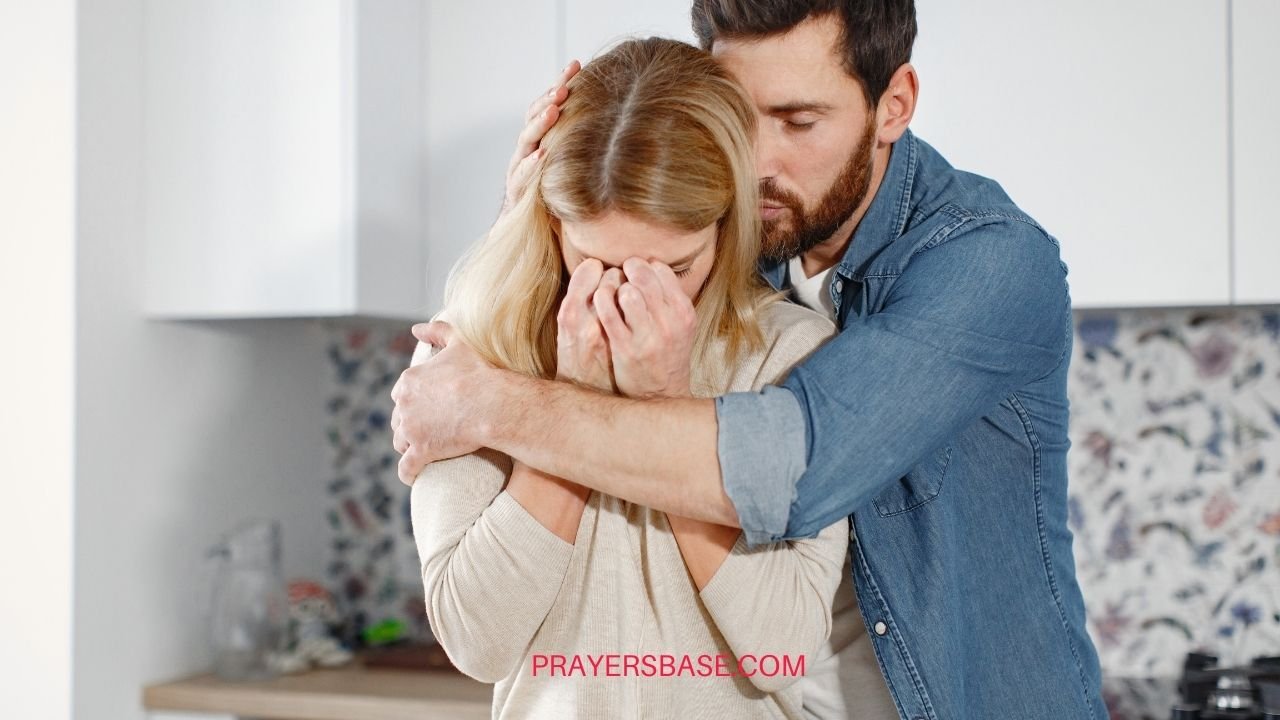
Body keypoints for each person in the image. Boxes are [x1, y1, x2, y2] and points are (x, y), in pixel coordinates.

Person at [393, 2, 1109, 718]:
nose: (755, 163)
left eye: (798, 121)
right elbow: (626, 214)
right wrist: (531, 222)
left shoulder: (991, 263)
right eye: (736, 118)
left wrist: (488, 403)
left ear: (893, 105)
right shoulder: (739, 245)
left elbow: (784, 464)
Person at [409, 37, 874, 719]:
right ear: (551, 221)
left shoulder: (794, 355)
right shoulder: (474, 354)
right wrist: (573, 398)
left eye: (675, 269)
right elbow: (478, 642)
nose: (630, 298)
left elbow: (782, 649)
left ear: (728, 225)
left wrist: (666, 405)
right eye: (597, 264)